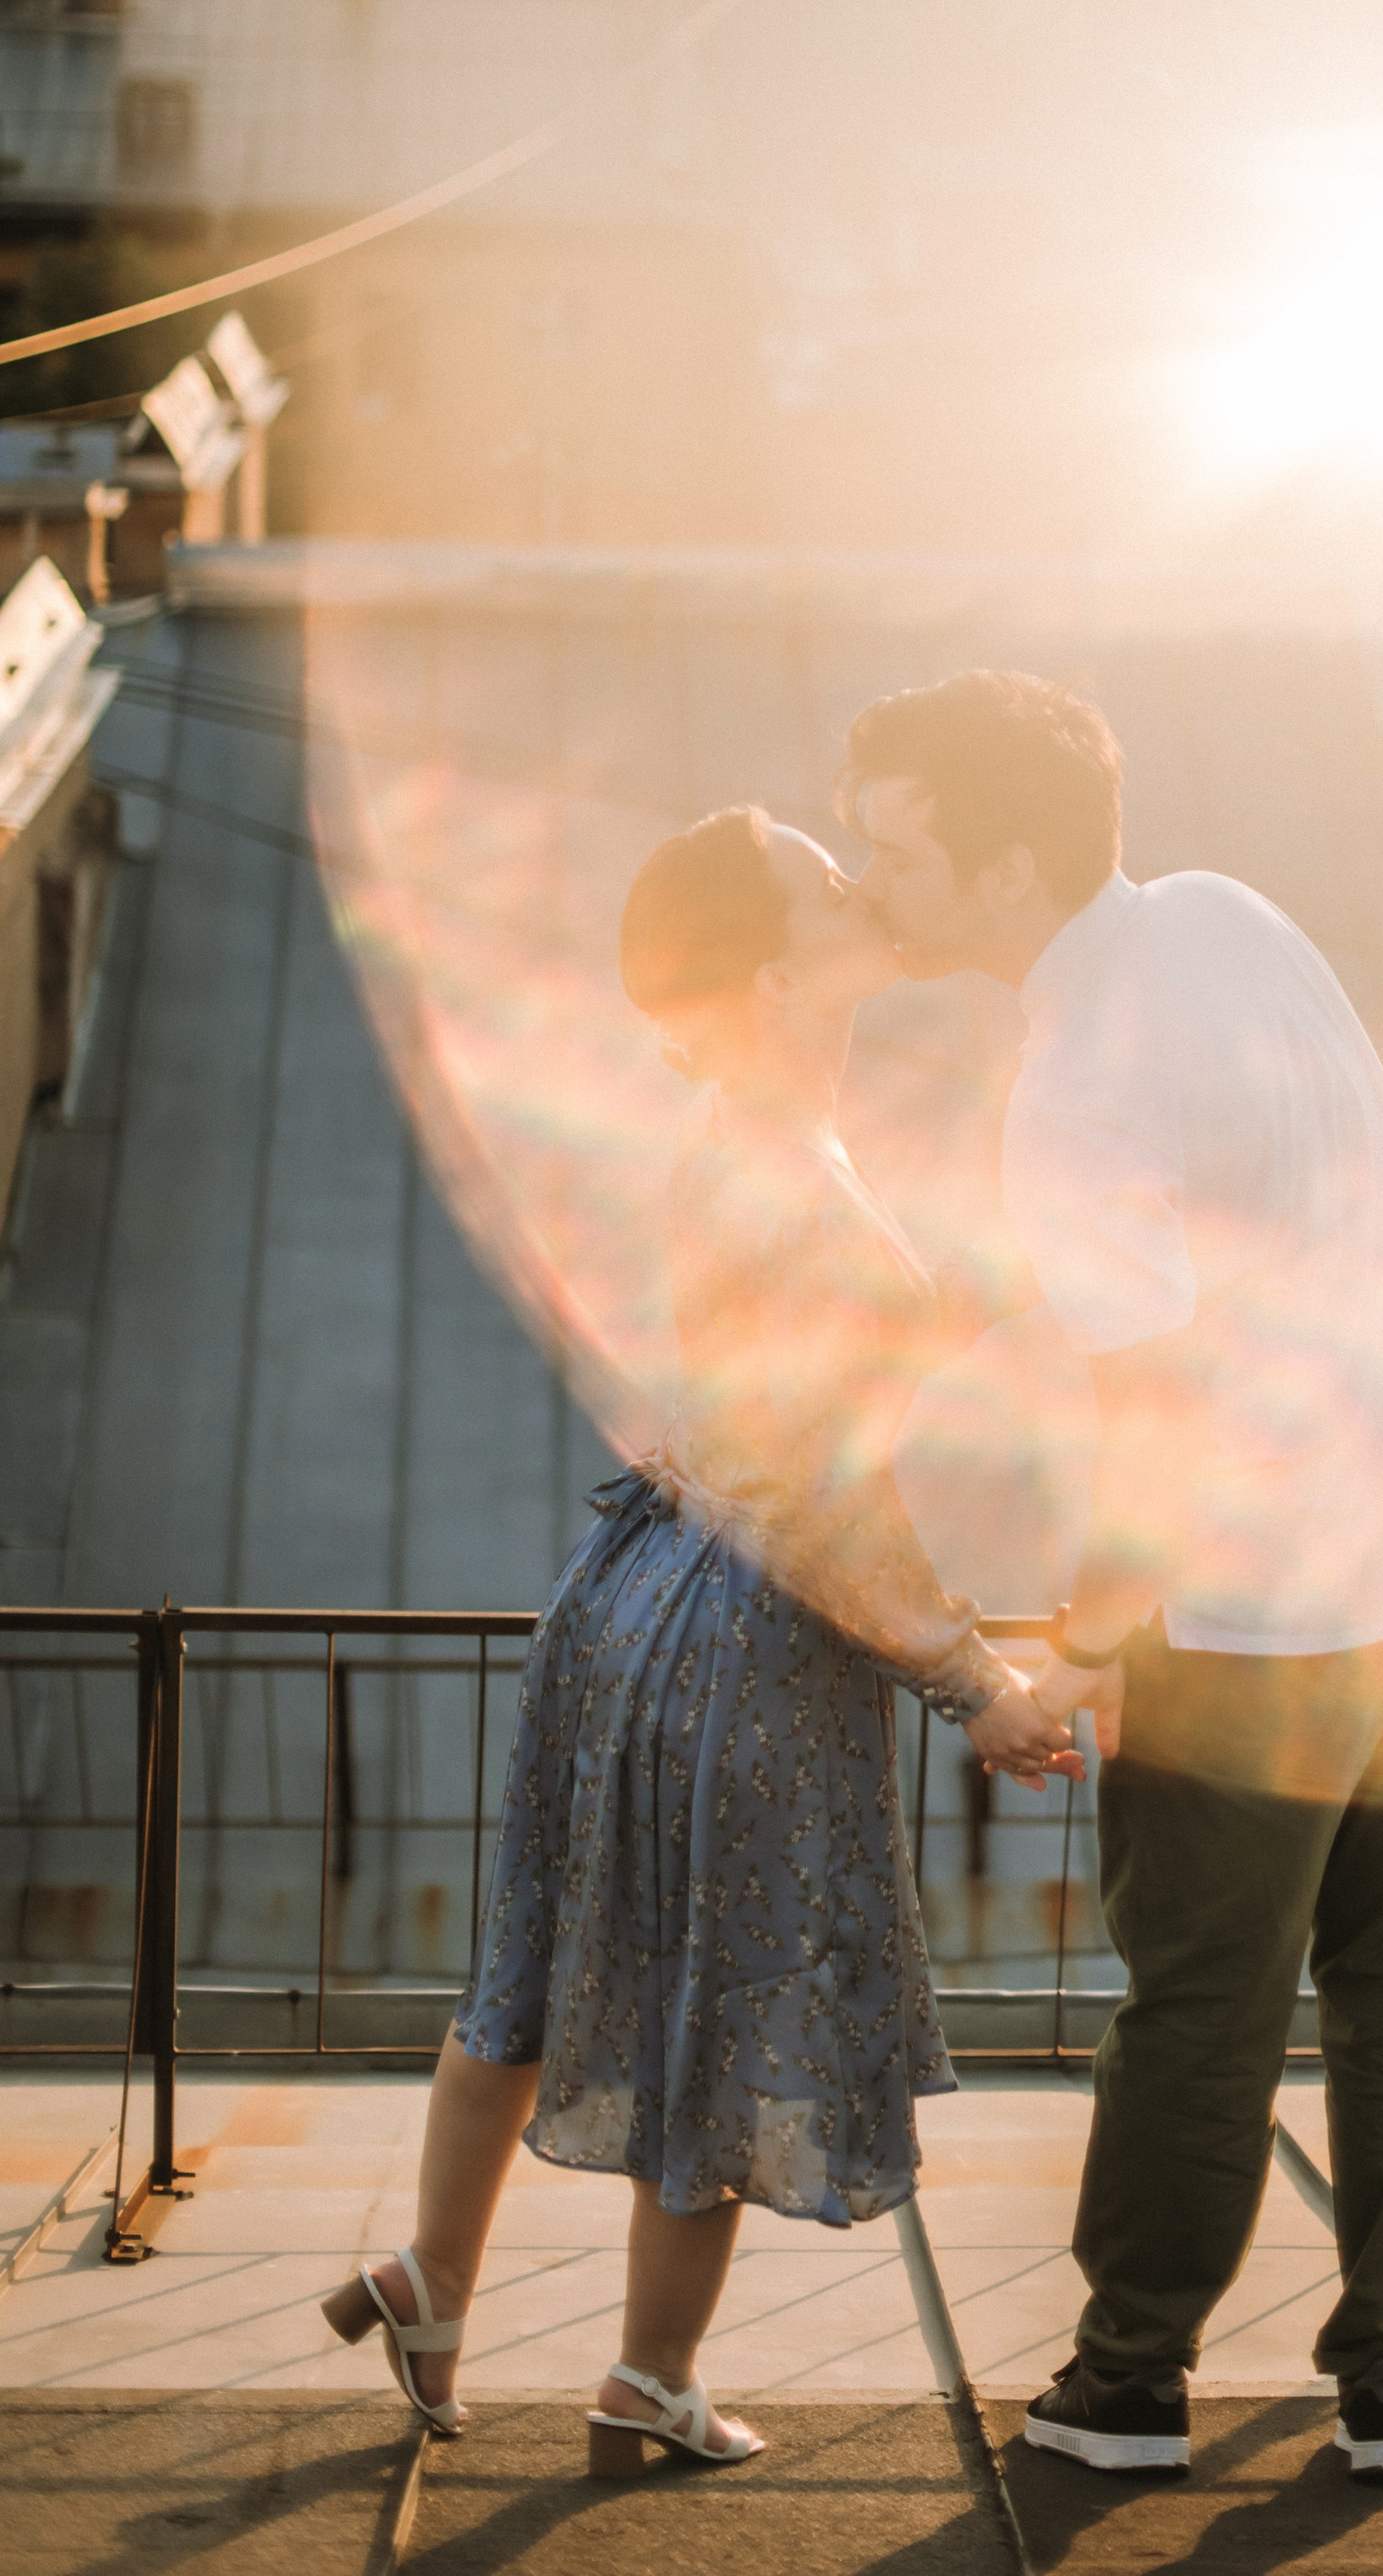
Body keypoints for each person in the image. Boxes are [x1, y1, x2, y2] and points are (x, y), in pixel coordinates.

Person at [319, 807, 1079, 2473]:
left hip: (633, 1590)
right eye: (825, 886)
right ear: (774, 970)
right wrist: (975, 1679)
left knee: (535, 1950)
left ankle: (435, 2276)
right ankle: (650, 2377)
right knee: (720, 2009)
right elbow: (826, 1510)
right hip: (751, 1634)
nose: (858, 887)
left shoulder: (744, 1137)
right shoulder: (792, 1174)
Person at [842, 670, 1383, 2484]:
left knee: (1201, 2000)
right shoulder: (1226, 917)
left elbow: (1149, 1409)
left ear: (1003, 872)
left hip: (1268, 1613)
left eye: (895, 851)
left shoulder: (1067, 1095)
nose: (870, 884)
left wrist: (1080, 1644)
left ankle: (1128, 2382)